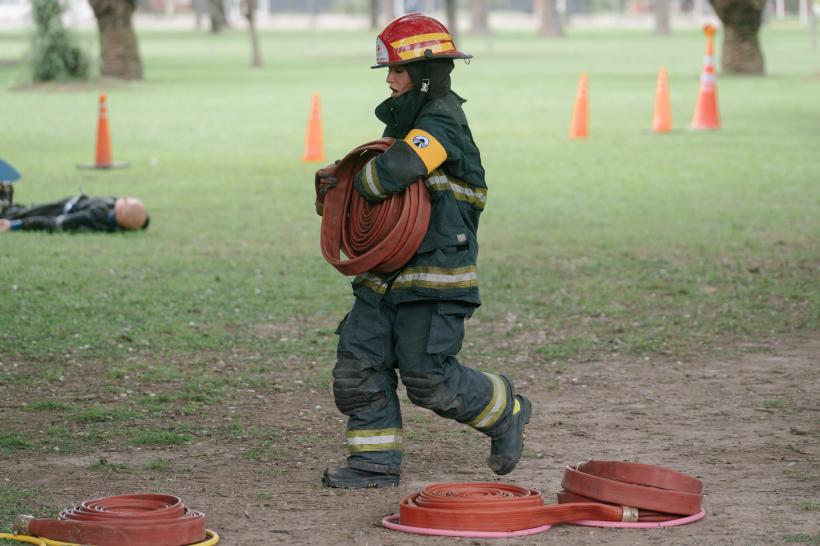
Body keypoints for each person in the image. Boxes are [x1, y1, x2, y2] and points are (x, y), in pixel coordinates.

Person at [316, 13, 532, 489]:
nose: (390, 80)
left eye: (397, 71)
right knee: (358, 365)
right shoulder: (410, 121)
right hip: (384, 273)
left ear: (427, 72)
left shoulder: (441, 122)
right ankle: (373, 466)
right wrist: (336, 186)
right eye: (389, 71)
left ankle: (506, 409)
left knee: (427, 378)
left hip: (433, 275)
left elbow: (392, 172)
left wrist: (351, 180)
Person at [0, 191, 149, 233]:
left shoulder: (93, 216)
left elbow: (56, 223)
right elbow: (143, 220)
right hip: (66, 206)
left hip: (60, 211)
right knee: (23, 209)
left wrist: (15, 225)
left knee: (18, 213)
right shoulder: (113, 215)